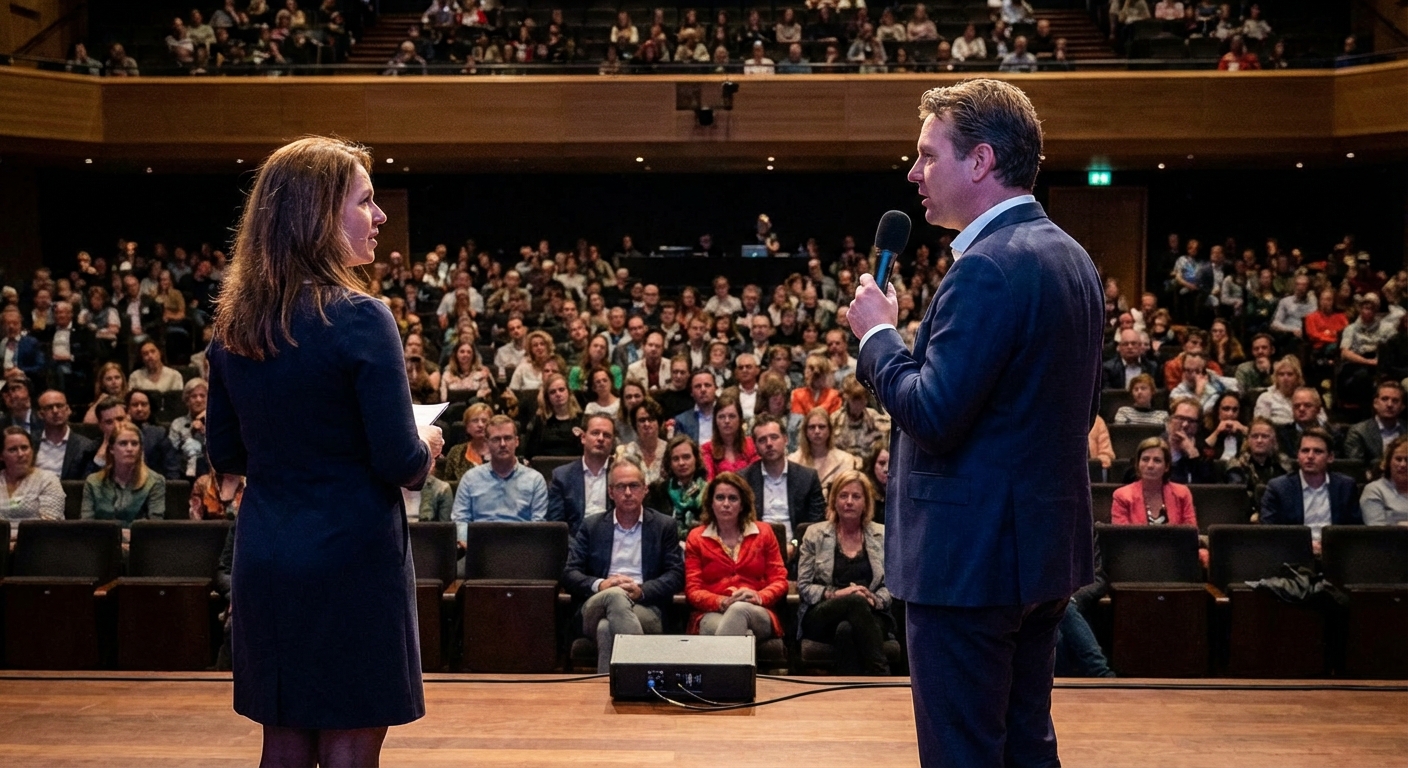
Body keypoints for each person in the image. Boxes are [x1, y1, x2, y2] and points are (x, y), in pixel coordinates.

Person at [847, 80, 1102, 767]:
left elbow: (932, 414)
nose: (914, 173)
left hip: (969, 564)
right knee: (1025, 747)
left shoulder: (986, 267)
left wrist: (878, 338)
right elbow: (1078, 412)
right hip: (1038, 556)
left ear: (981, 160)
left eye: (929, 156)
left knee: (962, 753)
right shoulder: (1072, 257)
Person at [205, 137, 442, 765]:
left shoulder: (234, 324)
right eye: (365, 201)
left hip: (267, 555)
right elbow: (400, 462)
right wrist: (426, 441)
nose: (380, 216)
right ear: (317, 215)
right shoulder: (362, 317)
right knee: (350, 744)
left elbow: (226, 451)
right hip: (351, 559)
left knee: (283, 743)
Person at [561, 459, 685, 673]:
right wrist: (601, 585)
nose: (628, 493)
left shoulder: (663, 526)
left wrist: (641, 591)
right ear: (611, 492)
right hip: (596, 604)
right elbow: (569, 573)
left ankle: (605, 688)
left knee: (605, 628)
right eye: (621, 487)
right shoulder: (592, 526)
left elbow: (675, 574)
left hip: (645, 606)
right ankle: (639, 675)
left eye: (634, 486)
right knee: (614, 595)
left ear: (645, 489)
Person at [796, 470, 893, 675]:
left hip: (871, 612)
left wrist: (873, 598)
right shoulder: (815, 534)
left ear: (866, 503)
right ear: (834, 500)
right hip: (823, 613)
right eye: (843, 495)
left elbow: (892, 585)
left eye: (856, 496)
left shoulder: (882, 535)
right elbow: (804, 587)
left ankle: (850, 690)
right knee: (854, 601)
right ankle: (881, 674)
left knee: (846, 630)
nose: (849, 502)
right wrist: (837, 594)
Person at [684, 472, 789, 640]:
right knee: (741, 633)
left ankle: (726, 656)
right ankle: (743, 650)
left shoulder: (764, 532)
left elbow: (780, 580)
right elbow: (693, 590)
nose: (726, 504)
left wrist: (758, 596)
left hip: (756, 610)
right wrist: (722, 601)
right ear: (711, 503)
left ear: (742, 505)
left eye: (733, 498)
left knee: (739, 609)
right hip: (713, 612)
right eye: (720, 498)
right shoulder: (696, 537)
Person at [1261, 428, 1362, 551]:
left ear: (1330, 457)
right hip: (1293, 554)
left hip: (1336, 553)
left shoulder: (1346, 486)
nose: (1310, 456)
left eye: (1318, 451)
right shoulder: (1278, 488)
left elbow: (1354, 531)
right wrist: (1306, 546)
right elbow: (1270, 533)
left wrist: (1328, 547)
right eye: (1305, 451)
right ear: (1298, 455)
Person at [741, 412, 827, 549]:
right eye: (762, 440)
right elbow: (739, 525)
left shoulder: (807, 478)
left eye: (774, 437)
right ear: (755, 447)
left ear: (786, 439)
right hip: (756, 549)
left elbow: (816, 525)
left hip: (797, 548)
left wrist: (794, 545)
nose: (769, 444)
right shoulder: (743, 480)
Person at [452, 415, 547, 526]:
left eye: (508, 438)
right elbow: (460, 520)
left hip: (521, 536)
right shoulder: (470, 478)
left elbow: (538, 525)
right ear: (487, 443)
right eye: (496, 439)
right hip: (480, 536)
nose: (502, 444)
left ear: (516, 441)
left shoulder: (535, 480)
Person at [82, 421, 165, 526]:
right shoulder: (93, 482)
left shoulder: (155, 481)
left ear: (140, 449)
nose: (129, 449)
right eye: (123, 443)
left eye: (134, 444)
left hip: (139, 537)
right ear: (112, 449)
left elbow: (155, 525)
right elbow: (86, 524)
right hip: (101, 537)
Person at [547, 413, 616, 537]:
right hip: (574, 543)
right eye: (595, 433)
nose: (601, 438)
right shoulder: (562, 476)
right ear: (583, 437)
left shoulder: (620, 475)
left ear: (612, 442)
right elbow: (556, 526)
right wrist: (576, 547)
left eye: (607, 435)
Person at [1112, 438, 1198, 527]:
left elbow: (1190, 531)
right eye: (1145, 459)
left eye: (1157, 460)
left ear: (1166, 466)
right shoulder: (1122, 496)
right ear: (1137, 464)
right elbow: (1122, 534)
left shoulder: (1182, 494)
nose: (1150, 465)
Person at [647, 434, 708, 540]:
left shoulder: (709, 492)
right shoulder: (657, 492)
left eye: (686, 457)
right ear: (669, 463)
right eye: (675, 459)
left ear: (696, 459)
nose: (681, 463)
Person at [0, 426, 65, 524]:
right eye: (13, 450)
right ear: (1, 456)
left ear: (32, 451)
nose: (20, 454)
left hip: (37, 533)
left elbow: (50, 525)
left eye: (24, 448)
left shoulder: (48, 480)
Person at [790, 406, 860, 494]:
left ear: (830, 430)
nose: (817, 431)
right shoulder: (793, 461)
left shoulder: (845, 460)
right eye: (812, 427)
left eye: (822, 427)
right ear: (805, 432)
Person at [32, 390, 97, 480]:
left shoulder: (86, 446)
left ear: (68, 410)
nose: (55, 411)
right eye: (49, 407)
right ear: (40, 414)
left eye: (59, 406)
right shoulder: (30, 443)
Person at [1344, 381, 1406, 466]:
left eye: (1395, 401)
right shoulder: (1359, 432)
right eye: (1385, 399)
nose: (1389, 404)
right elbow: (1356, 468)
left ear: (1402, 406)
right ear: (1375, 403)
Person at [523, 372, 583, 459]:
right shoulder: (540, 421)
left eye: (561, 389)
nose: (558, 394)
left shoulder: (581, 419)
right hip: (546, 466)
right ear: (548, 397)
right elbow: (530, 454)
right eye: (552, 392)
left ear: (569, 392)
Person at [1225, 416, 1293, 490]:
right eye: (1255, 436)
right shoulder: (1237, 465)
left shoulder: (1283, 464)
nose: (1259, 440)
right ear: (1248, 440)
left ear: (1273, 440)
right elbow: (1238, 493)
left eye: (1264, 436)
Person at [700, 391, 756, 479]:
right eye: (721, 417)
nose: (727, 421)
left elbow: (756, 477)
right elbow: (709, 481)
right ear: (715, 421)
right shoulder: (706, 449)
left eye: (732, 416)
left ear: (740, 419)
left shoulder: (752, 445)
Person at [1360, 435, 1408, 525]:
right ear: (1388, 462)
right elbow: (1377, 529)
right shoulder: (1375, 490)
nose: (1403, 465)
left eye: (1407, 460)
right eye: (1398, 459)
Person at [439, 402, 491, 483]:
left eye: (484, 421)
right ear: (467, 426)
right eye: (475, 421)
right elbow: (447, 483)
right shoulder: (456, 452)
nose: (480, 425)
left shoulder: (501, 450)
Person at [616, 398, 665, 483]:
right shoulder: (627, 452)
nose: (647, 424)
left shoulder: (669, 450)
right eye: (642, 420)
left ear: (659, 423)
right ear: (635, 425)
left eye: (651, 419)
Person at [168, 377, 208, 478]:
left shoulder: (217, 424)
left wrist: (204, 433)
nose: (198, 400)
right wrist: (191, 432)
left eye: (202, 396)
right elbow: (173, 452)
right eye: (194, 396)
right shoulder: (178, 423)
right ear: (187, 400)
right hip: (183, 471)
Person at [671, 370, 717, 444]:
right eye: (698, 386)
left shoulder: (727, 416)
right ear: (691, 392)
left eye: (707, 385)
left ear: (715, 389)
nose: (703, 389)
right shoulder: (682, 420)